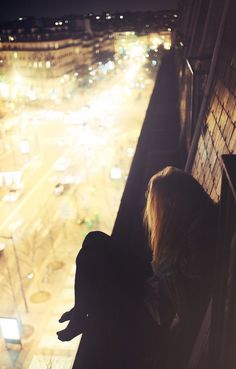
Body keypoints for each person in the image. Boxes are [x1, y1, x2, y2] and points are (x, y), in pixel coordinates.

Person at [57, 166, 218, 369]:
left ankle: (81, 313)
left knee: (94, 260)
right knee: (94, 239)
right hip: (150, 293)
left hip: (150, 319)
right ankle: (81, 311)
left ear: (175, 204)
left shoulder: (196, 242)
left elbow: (183, 309)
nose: (158, 216)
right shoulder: (195, 224)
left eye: (160, 207)